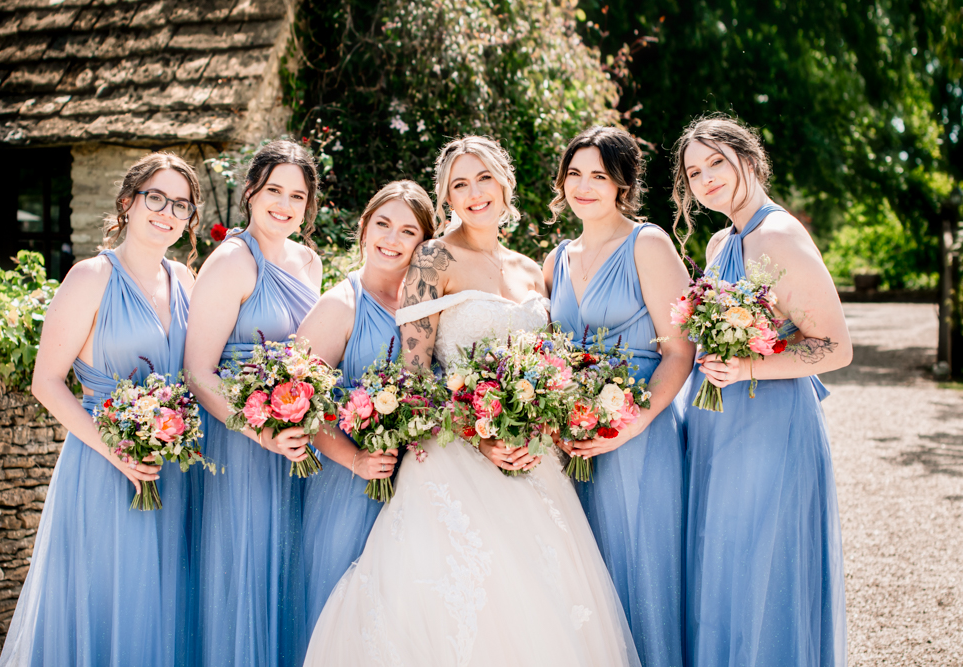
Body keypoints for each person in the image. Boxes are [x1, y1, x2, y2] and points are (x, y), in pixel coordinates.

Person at [303, 136, 641, 667]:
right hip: (454, 455)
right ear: (447, 198)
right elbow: (414, 377)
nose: (474, 192)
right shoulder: (432, 260)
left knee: (543, 611)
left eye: (483, 178)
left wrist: (544, 422)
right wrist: (481, 439)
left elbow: (550, 366)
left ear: (505, 183)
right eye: (459, 184)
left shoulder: (531, 269)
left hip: (534, 460)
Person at [0, 153, 202, 666]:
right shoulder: (91, 276)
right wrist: (116, 451)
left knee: (163, 609)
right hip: (102, 466)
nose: (167, 212)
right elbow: (46, 381)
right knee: (108, 602)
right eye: (156, 198)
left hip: (171, 469)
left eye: (180, 204)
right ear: (128, 203)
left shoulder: (185, 281)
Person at [672, 115, 850, 667]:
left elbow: (836, 347)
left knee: (763, 567)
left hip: (770, 423)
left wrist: (748, 367)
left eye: (716, 163)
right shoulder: (721, 241)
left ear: (749, 160)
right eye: (694, 172)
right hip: (718, 424)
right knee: (722, 563)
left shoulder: (778, 235)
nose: (705, 179)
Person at [543, 126, 694, 667]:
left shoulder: (648, 244)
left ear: (622, 185)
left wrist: (630, 424)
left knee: (641, 570)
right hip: (574, 437)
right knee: (587, 580)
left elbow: (680, 351)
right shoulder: (556, 259)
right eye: (575, 174)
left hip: (639, 435)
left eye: (599, 176)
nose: (583, 187)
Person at [183, 141, 321, 666]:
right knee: (246, 570)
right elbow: (199, 371)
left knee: (290, 569)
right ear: (251, 192)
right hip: (242, 442)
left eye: (297, 196)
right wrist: (261, 432)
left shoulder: (309, 261)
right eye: (273, 191)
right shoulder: (231, 261)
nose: (284, 205)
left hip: (297, 438)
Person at [297, 180, 436, 635]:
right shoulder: (340, 305)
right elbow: (301, 405)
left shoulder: (427, 307)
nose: (391, 239)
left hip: (416, 486)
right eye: (383, 224)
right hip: (350, 485)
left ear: (424, 243)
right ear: (364, 227)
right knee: (343, 618)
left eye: (408, 231)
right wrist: (356, 459)